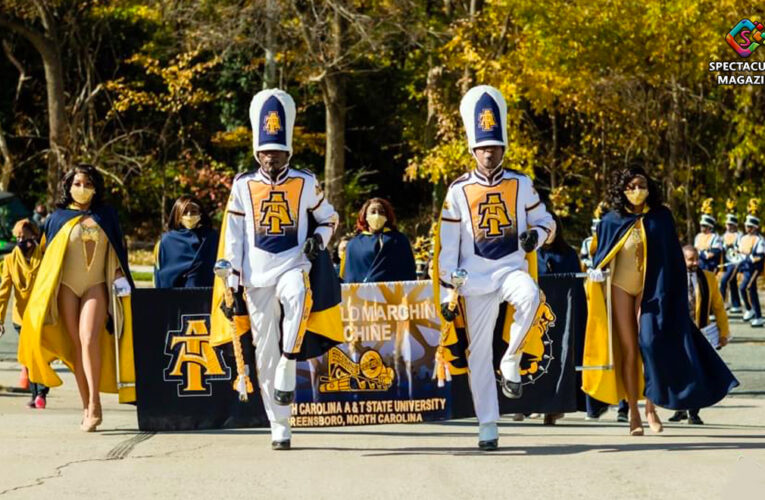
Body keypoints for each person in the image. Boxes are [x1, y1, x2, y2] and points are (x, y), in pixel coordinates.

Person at [210, 89, 343, 450]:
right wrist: (232, 284)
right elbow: (234, 238)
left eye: (278, 151)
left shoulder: (305, 181)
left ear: (288, 152)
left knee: (299, 294)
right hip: (254, 275)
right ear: (257, 152)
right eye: (266, 152)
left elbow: (329, 218)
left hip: (293, 264)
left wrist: (318, 239)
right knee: (263, 349)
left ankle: (290, 360)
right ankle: (279, 424)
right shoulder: (242, 185)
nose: (272, 158)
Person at [435, 85, 556, 450]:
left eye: (495, 147)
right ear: (473, 150)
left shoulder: (521, 183)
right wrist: (447, 289)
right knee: (477, 353)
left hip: (509, 269)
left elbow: (546, 222)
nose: (489, 154)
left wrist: (536, 235)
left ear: (504, 148)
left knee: (531, 296)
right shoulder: (457, 190)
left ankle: (513, 357)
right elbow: (448, 247)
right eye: (483, 148)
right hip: (472, 279)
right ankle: (487, 423)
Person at [583, 165, 738, 436]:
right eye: (630, 186)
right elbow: (602, 254)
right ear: (622, 189)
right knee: (629, 349)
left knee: (649, 343)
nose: (636, 190)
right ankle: (633, 412)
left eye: (641, 184)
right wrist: (596, 272)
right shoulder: (611, 219)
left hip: (650, 287)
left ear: (649, 186)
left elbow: (672, 259)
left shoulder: (661, 217)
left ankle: (651, 407)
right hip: (620, 286)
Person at [18, 164, 134, 432]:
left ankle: (95, 403)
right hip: (67, 288)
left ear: (96, 188)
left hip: (96, 285)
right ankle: (86, 404)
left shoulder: (107, 215)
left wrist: (119, 275)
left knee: (89, 338)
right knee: (77, 347)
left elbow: (117, 251)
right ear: (68, 186)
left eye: (88, 184)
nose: (83, 189)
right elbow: (46, 259)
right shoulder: (57, 218)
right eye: (78, 183)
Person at [668, 245, 730, 425]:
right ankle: (679, 409)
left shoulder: (709, 278)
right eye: (690, 259)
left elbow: (718, 307)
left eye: (696, 259)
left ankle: (693, 413)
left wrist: (724, 332)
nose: (694, 263)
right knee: (678, 372)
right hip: (677, 332)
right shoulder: (671, 277)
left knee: (698, 372)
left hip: (701, 331)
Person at [0, 219, 48, 408]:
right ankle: (36, 394)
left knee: (39, 354)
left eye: (25, 236)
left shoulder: (44, 256)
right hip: (20, 318)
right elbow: (4, 291)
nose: (21, 240)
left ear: (34, 236)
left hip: (41, 315)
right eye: (18, 236)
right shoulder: (10, 260)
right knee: (29, 356)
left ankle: (41, 393)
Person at [340, 197, 417, 283]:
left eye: (381, 212)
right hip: (362, 294)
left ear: (387, 216)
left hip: (392, 293)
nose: (377, 215)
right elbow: (349, 276)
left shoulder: (399, 240)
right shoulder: (353, 244)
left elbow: (408, 271)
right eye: (373, 212)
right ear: (365, 216)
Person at [154, 195, 219, 288]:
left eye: (193, 211)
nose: (189, 215)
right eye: (184, 212)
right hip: (176, 297)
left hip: (206, 295)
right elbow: (160, 275)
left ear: (200, 214)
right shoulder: (166, 241)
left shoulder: (212, 237)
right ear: (177, 215)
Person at [737, 199, 765, 327]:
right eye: (746, 226)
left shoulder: (759, 240)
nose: (747, 228)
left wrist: (747, 256)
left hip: (754, 269)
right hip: (746, 267)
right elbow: (740, 252)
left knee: (747, 288)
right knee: (746, 289)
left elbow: (759, 257)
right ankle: (752, 311)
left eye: (749, 226)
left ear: (755, 227)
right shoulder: (743, 238)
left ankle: (756, 314)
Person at [720, 200, 742, 313]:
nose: (728, 226)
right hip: (727, 262)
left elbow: (741, 249)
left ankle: (722, 303)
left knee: (724, 281)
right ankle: (736, 304)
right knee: (732, 283)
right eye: (727, 224)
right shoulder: (723, 236)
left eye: (730, 224)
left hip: (735, 262)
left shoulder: (739, 236)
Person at [694, 199, 723, 273]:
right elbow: (695, 250)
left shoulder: (715, 237)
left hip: (710, 265)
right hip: (698, 264)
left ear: (709, 227)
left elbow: (711, 255)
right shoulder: (698, 236)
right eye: (701, 225)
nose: (701, 227)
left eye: (704, 226)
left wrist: (701, 253)